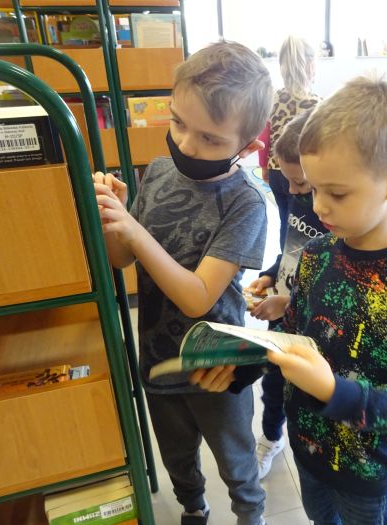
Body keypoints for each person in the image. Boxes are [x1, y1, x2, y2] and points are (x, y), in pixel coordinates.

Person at [93, 41, 273, 525]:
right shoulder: (158, 171)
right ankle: (194, 507)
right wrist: (115, 217)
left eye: (210, 138)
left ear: (247, 146)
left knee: (236, 461)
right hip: (157, 358)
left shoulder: (246, 203)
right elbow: (123, 260)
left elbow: (198, 297)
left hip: (217, 366)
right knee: (176, 456)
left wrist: (135, 230)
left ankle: (250, 514)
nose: (187, 145)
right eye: (178, 123)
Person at [266, 77, 387, 525]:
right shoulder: (315, 254)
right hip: (308, 449)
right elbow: (292, 337)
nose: (319, 207)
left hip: (369, 470)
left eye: (337, 193)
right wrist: (240, 363)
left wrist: (333, 391)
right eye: (314, 189)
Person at [247, 109, 329, 479]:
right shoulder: (298, 194)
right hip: (283, 309)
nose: (291, 192)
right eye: (287, 180)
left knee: (307, 388)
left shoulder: (332, 215)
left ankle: (310, 448)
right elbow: (291, 248)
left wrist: (291, 302)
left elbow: (336, 286)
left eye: (300, 184)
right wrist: (270, 274)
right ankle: (270, 436)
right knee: (273, 381)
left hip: (313, 322)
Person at [258, 35, 321, 249]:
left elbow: (264, 136)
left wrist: (264, 166)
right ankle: (298, 257)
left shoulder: (273, 98)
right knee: (303, 223)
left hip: (276, 170)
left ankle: (283, 257)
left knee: (285, 219)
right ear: (310, 66)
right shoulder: (317, 104)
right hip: (301, 174)